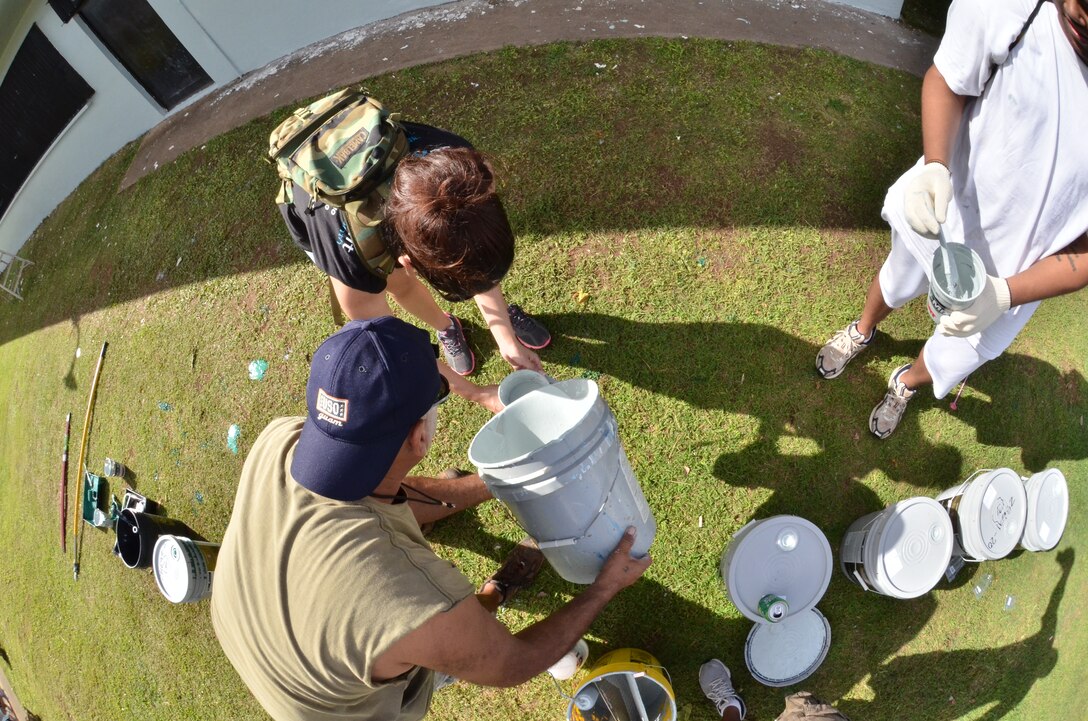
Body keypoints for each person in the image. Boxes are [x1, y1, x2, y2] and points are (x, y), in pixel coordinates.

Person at [210, 316, 651, 721]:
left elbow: (377, 491)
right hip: (338, 709)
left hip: (247, 625)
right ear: (421, 435)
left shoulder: (283, 440)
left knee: (414, 616)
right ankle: (486, 604)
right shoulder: (403, 593)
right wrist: (604, 587)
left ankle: (474, 604)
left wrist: (501, 482)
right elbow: (511, 663)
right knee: (433, 645)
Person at [815, 0, 1088, 438]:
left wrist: (1004, 295)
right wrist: (935, 166)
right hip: (943, 214)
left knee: (952, 357)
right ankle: (863, 330)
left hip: (1014, 276)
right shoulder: (1015, 8)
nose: (1084, 17)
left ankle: (904, 383)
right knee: (897, 280)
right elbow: (948, 79)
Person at [281, 121, 551, 414]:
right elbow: (398, 347)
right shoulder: (351, 263)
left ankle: (474, 327)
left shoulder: (466, 168)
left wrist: (506, 341)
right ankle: (445, 326)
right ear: (407, 261)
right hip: (315, 203)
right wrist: (478, 395)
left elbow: (473, 253)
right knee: (400, 284)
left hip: (363, 143)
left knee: (452, 256)